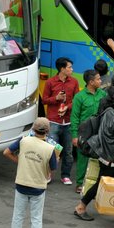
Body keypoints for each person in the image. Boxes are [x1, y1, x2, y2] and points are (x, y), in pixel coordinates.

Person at [73, 93, 114, 222]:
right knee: (100, 184)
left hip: (101, 152)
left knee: (107, 183)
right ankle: (80, 207)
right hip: (109, 159)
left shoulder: (109, 111)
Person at [3, 117, 57, 228]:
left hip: (21, 184)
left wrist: (19, 161)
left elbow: (6, 152)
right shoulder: (50, 148)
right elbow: (52, 169)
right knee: (36, 220)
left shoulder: (23, 141)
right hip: (38, 187)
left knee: (17, 218)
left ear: (33, 128)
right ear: (47, 131)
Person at [42, 57, 79, 185]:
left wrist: (67, 107)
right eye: (69, 67)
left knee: (68, 151)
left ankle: (65, 175)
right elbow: (44, 100)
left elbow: (76, 100)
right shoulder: (50, 82)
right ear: (62, 69)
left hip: (68, 122)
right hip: (53, 121)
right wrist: (56, 98)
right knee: (52, 150)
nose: (72, 70)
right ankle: (48, 175)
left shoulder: (74, 82)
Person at [70, 69, 107, 193]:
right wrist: (75, 136)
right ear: (91, 82)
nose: (100, 81)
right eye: (98, 79)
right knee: (82, 158)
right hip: (84, 133)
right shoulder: (79, 97)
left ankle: (94, 183)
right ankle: (80, 183)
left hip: (99, 132)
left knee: (98, 158)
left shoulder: (102, 94)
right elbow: (74, 117)